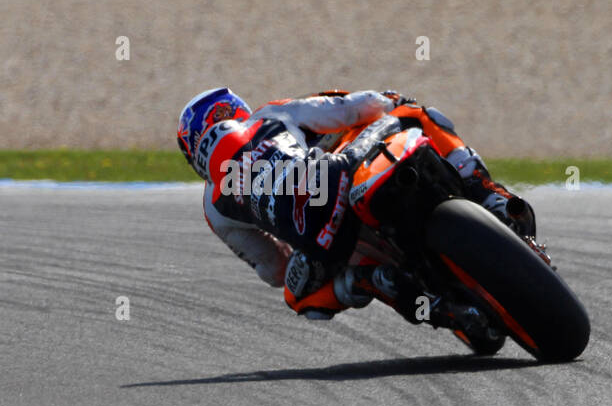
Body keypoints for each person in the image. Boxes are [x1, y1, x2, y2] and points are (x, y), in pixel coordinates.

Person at [177, 87, 539, 323]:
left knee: (296, 296)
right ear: (232, 110)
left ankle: (374, 280)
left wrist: (294, 236)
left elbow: (273, 269)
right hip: (341, 174)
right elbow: (356, 109)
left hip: (323, 243)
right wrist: (388, 100)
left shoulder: (214, 208)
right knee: (413, 113)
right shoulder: (269, 115)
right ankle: (489, 194)